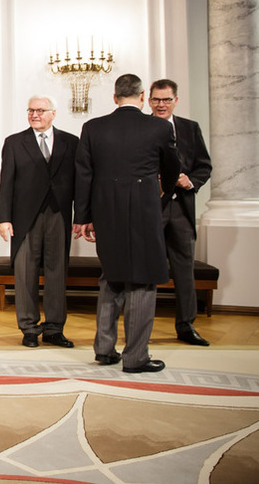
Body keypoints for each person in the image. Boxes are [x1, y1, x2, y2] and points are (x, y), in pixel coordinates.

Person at [74, 74, 180, 373]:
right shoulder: (160, 127)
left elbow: (84, 174)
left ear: (114, 97)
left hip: (106, 212)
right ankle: (135, 357)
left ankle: (105, 350)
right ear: (143, 96)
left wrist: (83, 218)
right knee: (143, 281)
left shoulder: (93, 127)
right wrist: (164, 193)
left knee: (112, 277)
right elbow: (173, 167)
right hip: (144, 211)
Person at [0, 95, 77, 348]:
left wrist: (84, 217)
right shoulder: (14, 143)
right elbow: (6, 183)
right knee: (25, 273)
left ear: (53, 113)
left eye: (40, 110)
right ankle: (29, 329)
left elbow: (80, 182)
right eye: (31, 110)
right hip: (24, 218)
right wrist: (3, 219)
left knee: (57, 273)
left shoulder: (71, 142)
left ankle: (54, 329)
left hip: (59, 215)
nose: (35, 114)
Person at [149, 78, 212, 346]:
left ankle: (186, 326)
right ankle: (143, 327)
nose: (161, 105)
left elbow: (204, 166)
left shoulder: (190, 128)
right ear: (148, 101)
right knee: (148, 269)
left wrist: (191, 181)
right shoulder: (141, 128)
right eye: (156, 100)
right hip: (151, 209)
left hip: (182, 210)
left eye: (166, 100)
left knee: (184, 270)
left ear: (176, 100)